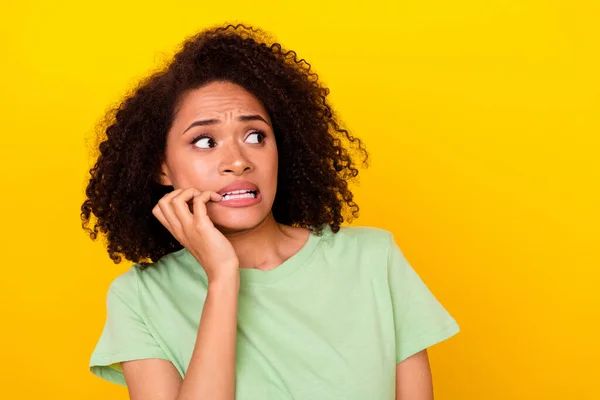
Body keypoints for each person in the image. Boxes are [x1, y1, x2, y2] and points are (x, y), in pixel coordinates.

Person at [82, 23, 459, 400]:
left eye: (255, 136)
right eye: (205, 141)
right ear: (160, 167)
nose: (237, 161)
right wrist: (223, 277)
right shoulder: (140, 297)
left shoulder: (375, 261)